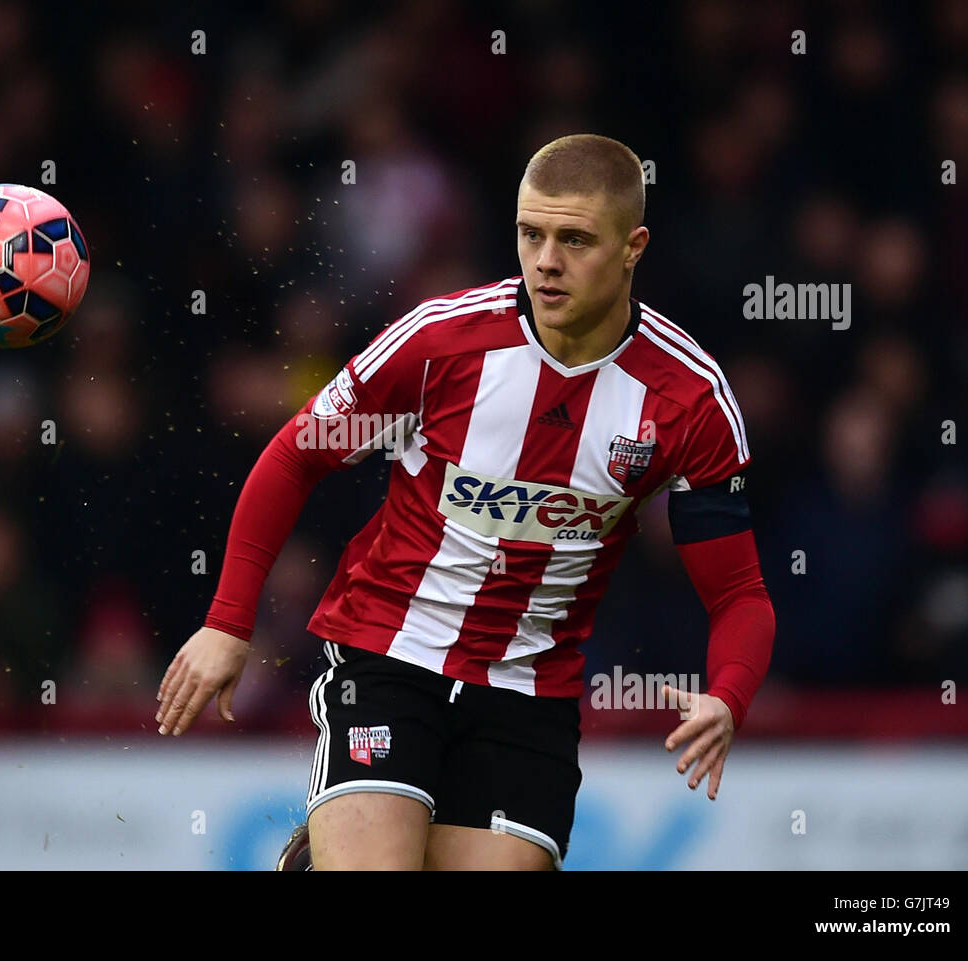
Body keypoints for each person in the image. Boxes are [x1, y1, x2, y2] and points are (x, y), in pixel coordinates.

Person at [156, 134, 775, 870]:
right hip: (389, 652)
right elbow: (296, 453)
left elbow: (739, 592)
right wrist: (228, 622)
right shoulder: (441, 342)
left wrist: (728, 697)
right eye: (531, 233)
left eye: (575, 239)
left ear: (632, 245)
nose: (546, 260)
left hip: (526, 693)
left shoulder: (690, 401)